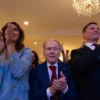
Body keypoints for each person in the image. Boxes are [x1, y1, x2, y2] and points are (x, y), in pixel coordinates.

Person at [0, 22, 32, 100]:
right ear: (4, 33)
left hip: (17, 96)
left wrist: (10, 44)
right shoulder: (1, 51)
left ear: (19, 34)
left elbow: (18, 72)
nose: (11, 32)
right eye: (8, 29)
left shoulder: (26, 51)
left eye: (15, 30)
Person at [70, 22, 100, 100]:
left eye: (98, 29)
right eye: (92, 28)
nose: (96, 30)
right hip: (88, 96)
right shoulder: (77, 52)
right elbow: (81, 65)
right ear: (84, 34)